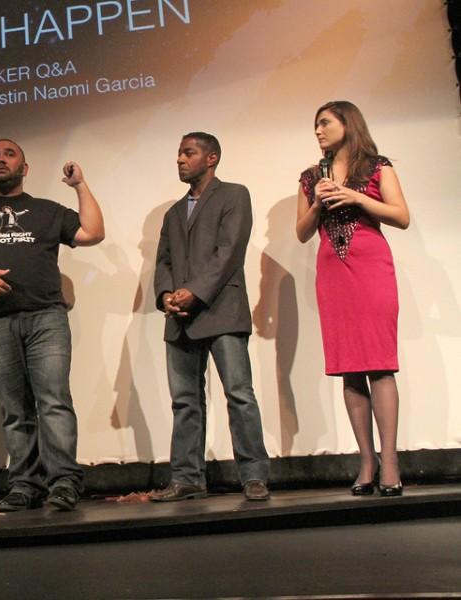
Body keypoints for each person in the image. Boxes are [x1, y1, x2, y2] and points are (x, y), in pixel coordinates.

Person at [0, 139, 104, 512]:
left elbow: (92, 233)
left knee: (54, 400)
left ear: (24, 169)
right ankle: (25, 484)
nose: (0, 159)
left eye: (9, 154)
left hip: (46, 316)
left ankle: (63, 482)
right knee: (15, 407)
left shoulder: (46, 210)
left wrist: (79, 186)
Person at [296, 101, 409, 497]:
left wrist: (357, 198)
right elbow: (302, 233)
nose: (318, 131)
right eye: (315, 125)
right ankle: (366, 461)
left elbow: (401, 216)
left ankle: (391, 462)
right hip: (332, 274)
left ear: (348, 123)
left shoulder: (377, 167)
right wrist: (317, 202)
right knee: (349, 369)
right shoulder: (312, 176)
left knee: (379, 365)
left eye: (324, 122)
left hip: (371, 268)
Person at [151, 132, 271, 502]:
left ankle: (252, 475)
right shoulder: (173, 213)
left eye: (189, 153)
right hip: (181, 318)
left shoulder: (234, 195)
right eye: (178, 153)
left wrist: (195, 292)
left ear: (211, 158)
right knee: (185, 401)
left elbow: (229, 251)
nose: (180, 159)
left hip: (221, 310)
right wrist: (167, 294)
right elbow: (164, 261)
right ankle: (187, 477)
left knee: (239, 394)